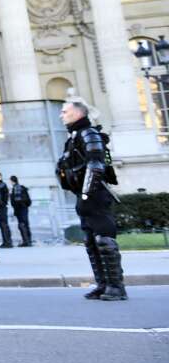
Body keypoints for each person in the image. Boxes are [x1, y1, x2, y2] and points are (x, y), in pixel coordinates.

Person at [56, 97, 125, 301]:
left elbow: (96, 166)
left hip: (95, 196)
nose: (61, 115)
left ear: (78, 114)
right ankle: (102, 284)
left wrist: (87, 194)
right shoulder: (73, 137)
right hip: (83, 196)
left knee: (104, 240)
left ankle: (116, 287)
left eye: (65, 111)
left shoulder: (89, 133)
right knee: (90, 242)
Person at [9, 175, 33, 246]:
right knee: (25, 224)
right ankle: (28, 240)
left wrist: (16, 209)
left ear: (12, 181)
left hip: (20, 209)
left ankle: (26, 241)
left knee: (22, 224)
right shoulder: (22, 187)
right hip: (24, 208)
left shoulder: (16, 188)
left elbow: (17, 200)